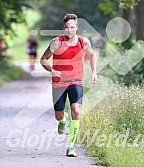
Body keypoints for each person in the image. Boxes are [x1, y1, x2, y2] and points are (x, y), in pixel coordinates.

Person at [40, 13, 97, 157]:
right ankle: (63, 119)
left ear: (76, 27)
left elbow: (91, 55)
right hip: (59, 83)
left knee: (76, 110)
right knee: (58, 115)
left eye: (72, 27)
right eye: (66, 27)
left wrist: (94, 72)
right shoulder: (56, 43)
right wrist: (52, 70)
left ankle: (71, 147)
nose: (69, 30)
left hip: (76, 81)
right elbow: (43, 60)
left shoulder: (84, 42)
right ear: (63, 28)